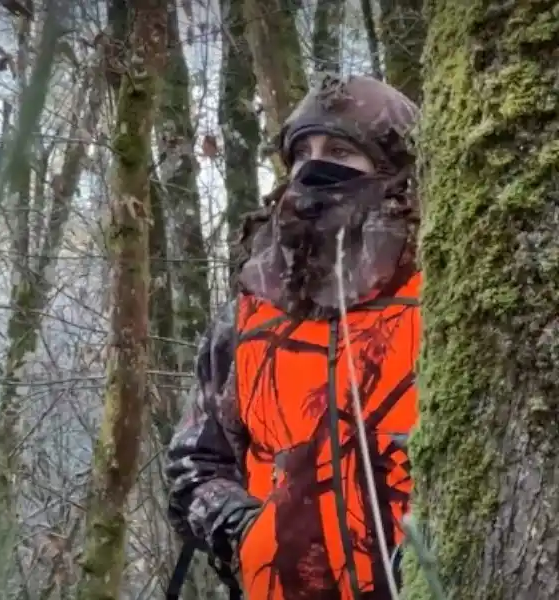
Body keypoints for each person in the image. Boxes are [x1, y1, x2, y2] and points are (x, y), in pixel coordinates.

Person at [164, 73, 421, 600]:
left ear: (391, 166)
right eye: (302, 151)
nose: (313, 166)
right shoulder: (253, 308)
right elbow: (195, 461)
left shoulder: (439, 289)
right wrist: (247, 535)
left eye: (340, 150)